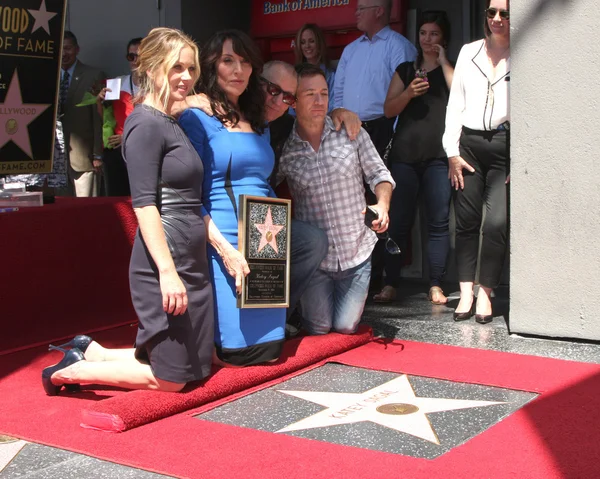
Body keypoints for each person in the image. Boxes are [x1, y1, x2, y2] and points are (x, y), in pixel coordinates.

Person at [41, 27, 214, 395]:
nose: (186, 77)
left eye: (192, 69)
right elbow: (144, 204)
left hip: (191, 260)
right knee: (172, 380)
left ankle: (92, 352)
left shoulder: (169, 121)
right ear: (151, 69)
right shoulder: (145, 124)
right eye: (176, 68)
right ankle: (69, 373)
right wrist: (167, 273)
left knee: (197, 366)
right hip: (164, 263)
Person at [179, 30, 286, 366]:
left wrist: (344, 112)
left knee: (272, 350)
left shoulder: (259, 119)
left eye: (245, 62)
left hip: (267, 237)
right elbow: (188, 195)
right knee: (237, 351)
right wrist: (225, 249)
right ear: (212, 66)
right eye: (228, 61)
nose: (238, 70)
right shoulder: (196, 116)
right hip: (220, 236)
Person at [277, 64, 395, 335]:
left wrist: (383, 204)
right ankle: (298, 313)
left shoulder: (351, 132)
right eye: (310, 94)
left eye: (324, 93)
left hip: (357, 253)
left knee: (345, 326)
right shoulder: (285, 149)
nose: (319, 101)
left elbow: (379, 174)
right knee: (318, 329)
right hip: (317, 262)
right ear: (293, 101)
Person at [332, 0, 417, 293]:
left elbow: (406, 95)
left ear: (379, 10)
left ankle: (388, 278)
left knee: (384, 204)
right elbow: (338, 94)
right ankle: (359, 279)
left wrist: (392, 132)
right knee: (352, 203)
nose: (356, 12)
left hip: (384, 129)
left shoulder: (399, 46)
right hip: (347, 130)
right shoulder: (350, 50)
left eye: (362, 7)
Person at [374, 11, 454, 304]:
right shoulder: (406, 70)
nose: (427, 39)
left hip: (438, 157)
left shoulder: (450, 69)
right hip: (405, 156)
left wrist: (444, 61)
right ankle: (391, 282)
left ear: (443, 37)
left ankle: (436, 284)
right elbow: (388, 109)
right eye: (423, 33)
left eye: (434, 34)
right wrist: (408, 93)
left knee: (438, 222)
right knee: (398, 222)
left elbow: (460, 93)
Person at [442, 0, 510, 324]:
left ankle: (486, 291)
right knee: (465, 222)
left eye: (504, 13)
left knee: (496, 223)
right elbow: (455, 104)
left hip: (503, 147)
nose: (497, 19)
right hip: (468, 145)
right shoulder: (468, 52)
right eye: (492, 12)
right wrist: (451, 152)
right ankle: (466, 291)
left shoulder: (523, 55)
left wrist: (522, 158)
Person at [59, 31, 106, 197]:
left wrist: (97, 154)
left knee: (85, 211)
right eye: (60, 48)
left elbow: (98, 118)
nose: (64, 53)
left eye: (68, 48)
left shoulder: (93, 76)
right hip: (55, 161)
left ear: (77, 49)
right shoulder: (49, 77)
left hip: (83, 159)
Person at [97, 37, 143, 196]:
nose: (135, 61)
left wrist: (128, 137)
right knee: (118, 198)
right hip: (117, 150)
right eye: (131, 57)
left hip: (144, 149)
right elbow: (105, 119)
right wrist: (99, 102)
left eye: (140, 56)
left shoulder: (158, 86)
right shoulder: (117, 83)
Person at [293, 24, 335, 111]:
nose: (307, 46)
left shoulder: (331, 75)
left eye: (311, 41)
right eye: (303, 42)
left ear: (319, 43)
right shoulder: (294, 75)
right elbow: (292, 109)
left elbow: (333, 107)